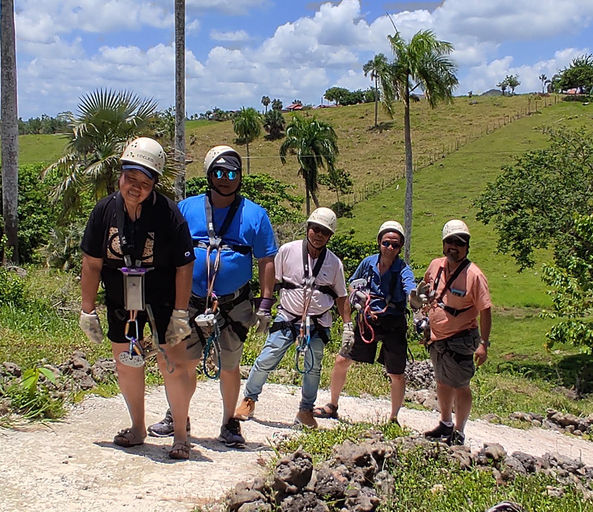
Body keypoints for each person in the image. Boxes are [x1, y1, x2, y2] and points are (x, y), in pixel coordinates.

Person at [147, 145, 278, 448]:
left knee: (230, 365)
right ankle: (178, 416)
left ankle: (228, 422)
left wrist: (266, 303)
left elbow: (266, 260)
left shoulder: (255, 215)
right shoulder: (186, 208)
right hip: (188, 301)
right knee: (184, 363)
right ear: (208, 174)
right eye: (218, 172)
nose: (225, 179)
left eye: (232, 173)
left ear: (240, 176)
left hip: (233, 304)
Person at [78, 137, 196, 460]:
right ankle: (138, 427)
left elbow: (185, 264)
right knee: (126, 362)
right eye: (131, 178)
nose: (136, 187)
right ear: (121, 174)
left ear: (154, 183)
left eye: (145, 182)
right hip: (120, 297)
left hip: (162, 296)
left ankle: (181, 436)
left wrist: (180, 314)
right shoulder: (104, 212)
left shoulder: (168, 214)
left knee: (171, 363)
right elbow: (91, 262)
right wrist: (87, 310)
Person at [234, 207, 352, 428]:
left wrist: (348, 326)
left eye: (324, 232)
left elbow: (342, 296)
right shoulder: (288, 251)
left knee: (313, 367)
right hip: (288, 317)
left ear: (330, 236)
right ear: (308, 228)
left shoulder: (334, 263)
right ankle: (249, 399)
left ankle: (306, 410)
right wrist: (264, 307)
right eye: (315, 229)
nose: (318, 235)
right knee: (267, 358)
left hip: (317, 322)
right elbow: (271, 279)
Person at [315, 221, 416, 423]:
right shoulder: (367, 263)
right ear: (379, 242)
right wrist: (356, 298)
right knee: (342, 360)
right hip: (366, 321)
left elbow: (410, 289)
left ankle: (394, 417)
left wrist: (416, 297)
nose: (390, 248)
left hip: (394, 324)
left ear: (400, 247)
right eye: (386, 243)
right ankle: (332, 405)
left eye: (395, 245)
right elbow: (351, 285)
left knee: (396, 373)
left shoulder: (403, 270)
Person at [418, 219, 492, 446]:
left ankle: (459, 431)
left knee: (460, 385)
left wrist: (484, 344)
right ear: (443, 244)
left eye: (459, 243)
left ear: (467, 246)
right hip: (437, 337)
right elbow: (425, 290)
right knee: (442, 381)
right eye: (450, 242)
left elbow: (485, 310)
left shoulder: (474, 275)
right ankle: (445, 423)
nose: (454, 247)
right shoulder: (435, 266)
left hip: (460, 337)